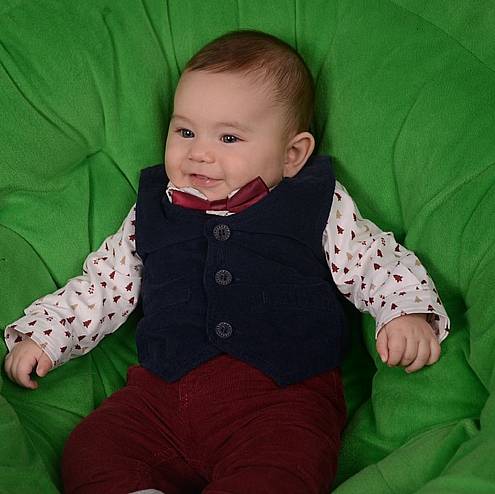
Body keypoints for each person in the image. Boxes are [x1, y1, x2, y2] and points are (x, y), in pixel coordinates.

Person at [3, 30, 449, 494]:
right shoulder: (154, 209)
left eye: (229, 137)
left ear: (292, 155)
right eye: (185, 131)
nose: (199, 153)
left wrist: (404, 311)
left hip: (281, 400)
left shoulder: (315, 203)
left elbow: (372, 258)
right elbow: (105, 283)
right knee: (91, 451)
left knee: (284, 471)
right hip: (159, 399)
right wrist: (46, 334)